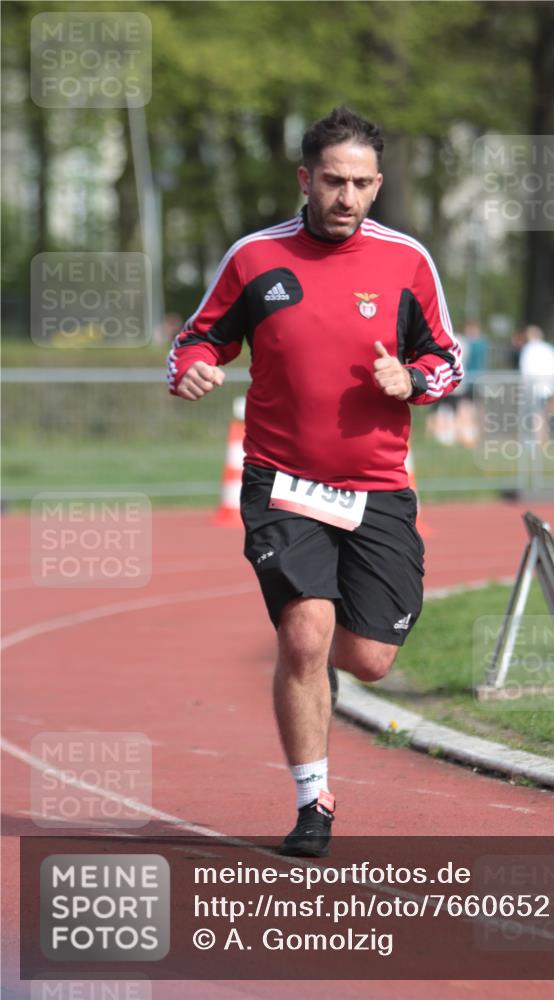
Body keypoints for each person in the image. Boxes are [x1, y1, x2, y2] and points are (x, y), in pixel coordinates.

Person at [167, 107, 463, 857]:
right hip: (283, 480)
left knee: (368, 658)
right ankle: (312, 803)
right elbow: (201, 335)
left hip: (377, 485)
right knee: (304, 635)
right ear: (305, 179)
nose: (347, 197)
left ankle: (324, 658)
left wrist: (413, 378)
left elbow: (448, 358)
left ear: (379, 185)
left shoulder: (407, 262)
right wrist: (193, 366)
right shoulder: (254, 258)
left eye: (362, 184)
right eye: (333, 181)